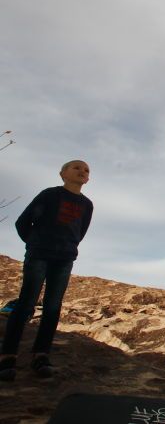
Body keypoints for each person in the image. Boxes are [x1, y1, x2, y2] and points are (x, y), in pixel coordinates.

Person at [0, 160, 93, 381]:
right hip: (39, 254)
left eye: (86, 170)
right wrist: (34, 244)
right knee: (26, 303)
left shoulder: (87, 204)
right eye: (76, 167)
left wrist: (69, 248)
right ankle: (7, 356)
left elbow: (81, 231)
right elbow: (23, 222)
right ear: (62, 174)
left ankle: (41, 355)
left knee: (53, 306)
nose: (82, 171)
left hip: (64, 258)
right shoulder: (49, 195)